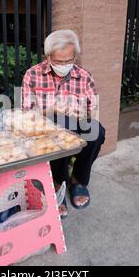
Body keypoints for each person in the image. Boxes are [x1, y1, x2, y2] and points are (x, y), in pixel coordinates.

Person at [21, 29, 106, 218]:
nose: (65, 65)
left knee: (96, 132)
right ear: (48, 56)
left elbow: (94, 111)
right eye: (59, 61)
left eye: (69, 60)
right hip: (45, 129)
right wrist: (51, 110)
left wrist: (79, 114)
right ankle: (57, 182)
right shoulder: (32, 75)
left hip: (77, 123)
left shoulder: (84, 76)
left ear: (75, 56)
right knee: (60, 127)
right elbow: (27, 114)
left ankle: (78, 180)